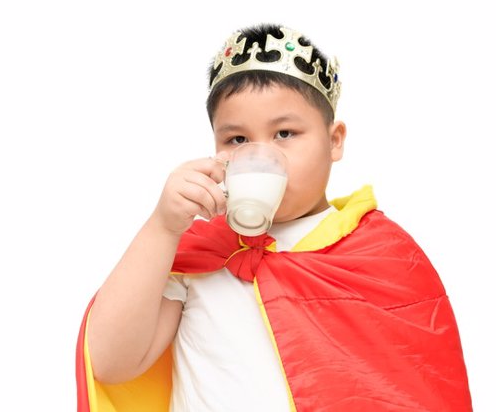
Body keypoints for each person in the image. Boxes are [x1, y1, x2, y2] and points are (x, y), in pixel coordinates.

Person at [75, 23, 472, 411]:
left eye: (285, 134)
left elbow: (411, 385)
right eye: (238, 140)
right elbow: (112, 363)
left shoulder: (381, 254)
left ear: (334, 141)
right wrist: (162, 228)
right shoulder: (201, 250)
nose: (261, 155)